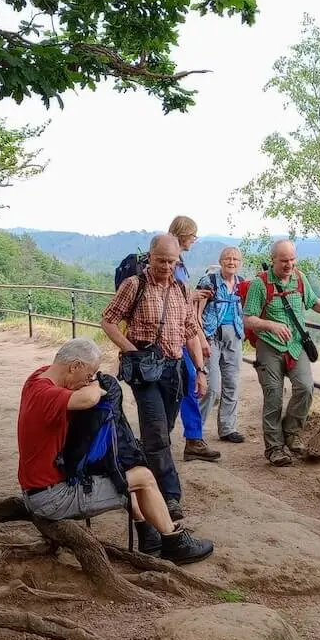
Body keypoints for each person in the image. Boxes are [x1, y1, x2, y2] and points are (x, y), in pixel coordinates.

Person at [16, 338, 213, 564]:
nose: (90, 379)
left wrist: (94, 377)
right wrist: (96, 385)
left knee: (121, 471)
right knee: (143, 477)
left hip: (39, 489)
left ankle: (148, 535)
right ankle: (174, 542)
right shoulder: (46, 395)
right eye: (89, 373)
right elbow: (89, 398)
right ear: (74, 367)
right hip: (51, 498)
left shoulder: (38, 377)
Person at [102, 234, 207, 521]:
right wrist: (131, 350)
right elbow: (108, 320)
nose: (166, 266)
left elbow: (190, 331)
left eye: (172, 261)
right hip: (145, 371)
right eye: (161, 260)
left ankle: (138, 471)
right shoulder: (133, 285)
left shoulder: (182, 289)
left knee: (161, 430)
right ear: (150, 256)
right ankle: (170, 496)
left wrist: (199, 370)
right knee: (158, 432)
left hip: (173, 370)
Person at [243, 239, 320, 467]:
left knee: (305, 387)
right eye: (283, 260)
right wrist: (270, 325)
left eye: (292, 259)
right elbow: (248, 318)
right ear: (273, 260)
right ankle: (274, 448)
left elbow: (312, 301)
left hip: (295, 345)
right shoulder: (260, 284)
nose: (288, 264)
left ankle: (292, 433)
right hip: (269, 345)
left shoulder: (299, 279)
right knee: (273, 395)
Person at [167, 215, 221, 462]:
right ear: (183, 235)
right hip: (175, 334)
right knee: (189, 383)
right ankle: (191, 439)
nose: (194, 241)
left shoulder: (177, 262)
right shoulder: (175, 263)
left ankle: (189, 439)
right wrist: (199, 336)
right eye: (193, 235)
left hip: (177, 331)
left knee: (185, 384)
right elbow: (176, 300)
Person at [196, 246, 246, 446]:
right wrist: (200, 338)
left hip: (234, 334)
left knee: (232, 383)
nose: (231, 262)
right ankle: (195, 430)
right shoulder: (209, 281)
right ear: (220, 260)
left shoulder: (242, 284)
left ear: (240, 263)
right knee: (212, 387)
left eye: (235, 259)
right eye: (227, 259)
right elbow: (196, 312)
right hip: (211, 336)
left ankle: (228, 428)